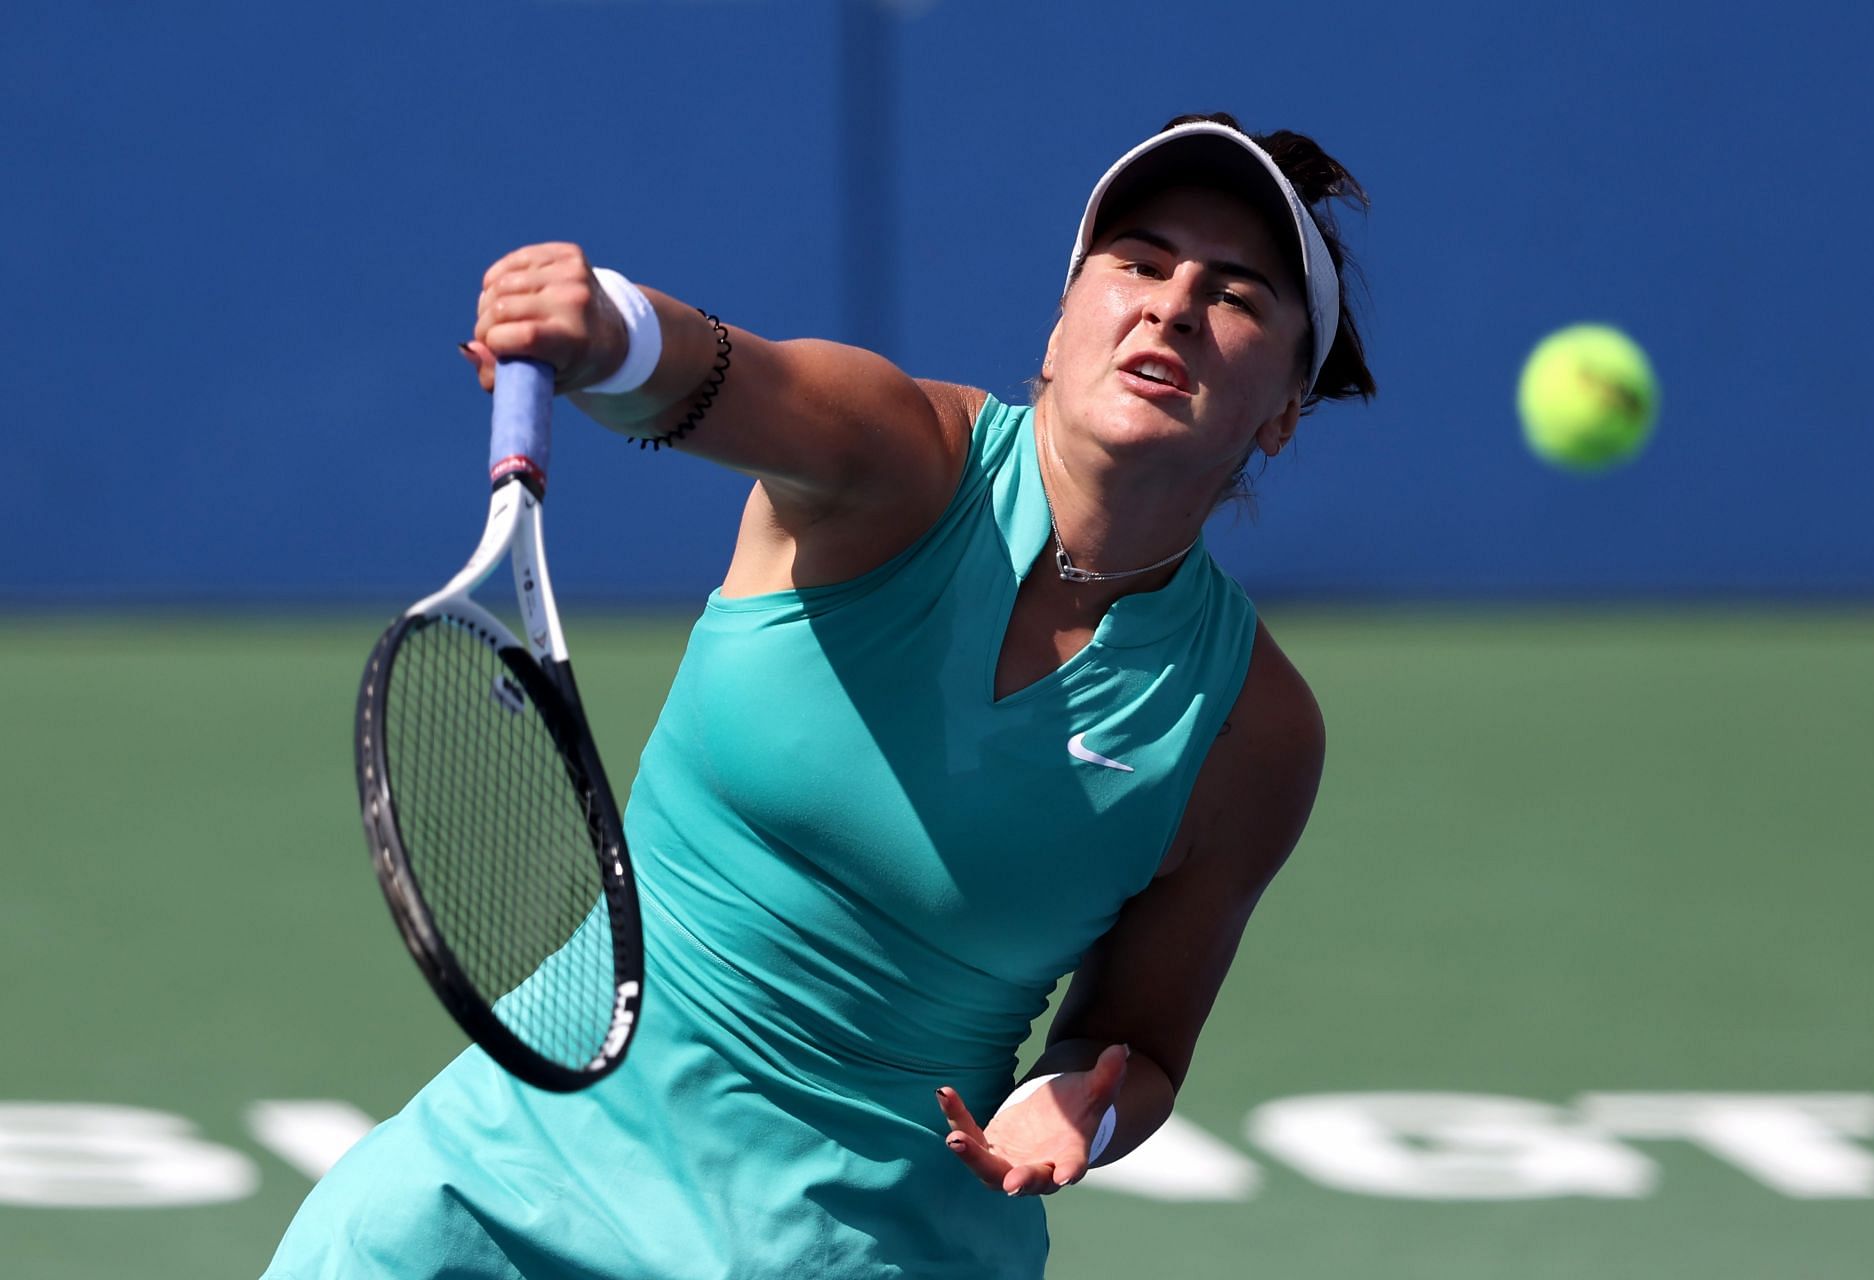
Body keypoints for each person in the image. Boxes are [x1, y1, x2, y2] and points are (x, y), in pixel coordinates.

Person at [266, 111, 1374, 1279]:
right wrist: (613, 329)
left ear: (1285, 411)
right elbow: (732, 378)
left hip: (860, 1248)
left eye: (1237, 293)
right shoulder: (904, 460)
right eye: (1139, 262)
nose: (1174, 303)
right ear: (1059, 326)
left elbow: (1138, 1038)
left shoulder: (1251, 728)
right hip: (503, 1186)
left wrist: (1077, 1103)